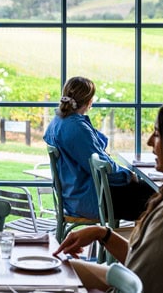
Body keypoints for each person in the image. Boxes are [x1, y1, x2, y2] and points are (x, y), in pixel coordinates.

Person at [54, 99, 163, 293]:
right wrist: (102, 234)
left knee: (53, 274)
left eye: (157, 134)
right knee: (58, 268)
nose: (149, 141)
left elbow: (140, 285)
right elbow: (140, 266)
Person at [43, 76, 153, 221]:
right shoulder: (76, 128)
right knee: (155, 196)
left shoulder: (58, 121)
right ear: (90, 101)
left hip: (72, 195)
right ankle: (146, 241)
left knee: (148, 192)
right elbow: (102, 167)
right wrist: (127, 175)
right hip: (91, 200)